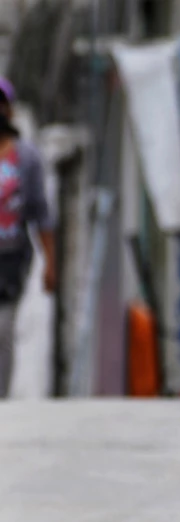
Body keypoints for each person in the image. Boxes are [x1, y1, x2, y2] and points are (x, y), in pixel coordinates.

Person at [0, 76, 57, 398]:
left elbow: (41, 214)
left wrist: (50, 264)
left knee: (3, 330)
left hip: (10, 259)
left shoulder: (26, 158)